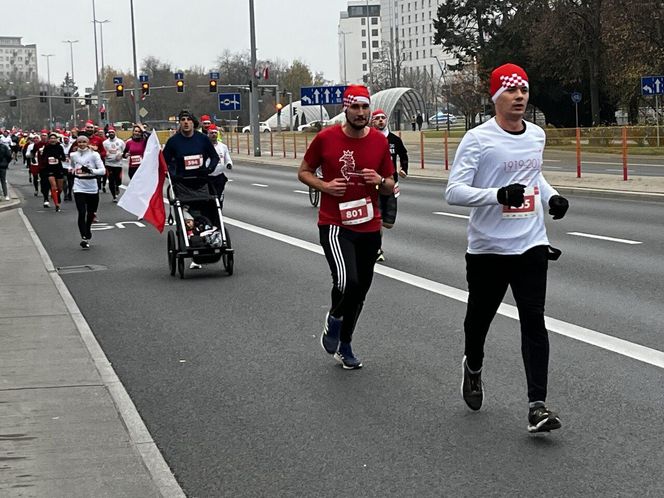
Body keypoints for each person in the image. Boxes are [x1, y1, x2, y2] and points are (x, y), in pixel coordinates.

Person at [445, 63, 570, 433]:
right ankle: (473, 366)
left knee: (534, 320)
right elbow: (453, 192)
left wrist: (552, 197)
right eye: (511, 91)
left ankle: (537, 406)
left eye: (524, 91)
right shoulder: (478, 139)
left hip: (531, 243)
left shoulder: (536, 135)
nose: (519, 97)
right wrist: (496, 195)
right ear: (496, 97)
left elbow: (535, 175)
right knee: (478, 323)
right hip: (488, 249)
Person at [297, 85, 395, 369]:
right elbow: (303, 171)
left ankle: (345, 343)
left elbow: (389, 186)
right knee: (346, 282)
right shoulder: (326, 138)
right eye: (356, 108)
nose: (362, 113)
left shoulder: (378, 141)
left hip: (368, 225)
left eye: (365, 108)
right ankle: (335, 319)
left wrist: (378, 180)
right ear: (346, 109)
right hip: (335, 224)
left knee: (360, 289)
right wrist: (324, 185)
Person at [163, 110, 219, 270]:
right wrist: (172, 174)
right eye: (182, 120)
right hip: (182, 184)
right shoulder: (174, 142)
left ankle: (210, 234)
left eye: (188, 120)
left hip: (201, 182)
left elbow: (214, 157)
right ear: (179, 123)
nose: (186, 122)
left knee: (207, 211)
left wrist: (209, 169)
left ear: (193, 123)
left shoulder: (202, 139)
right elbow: (164, 161)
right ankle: (189, 240)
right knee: (187, 215)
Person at [370, 109, 409, 261]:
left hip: (390, 184)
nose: (380, 120)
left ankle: (373, 244)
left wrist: (404, 169)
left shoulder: (394, 139)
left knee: (388, 223)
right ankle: (376, 249)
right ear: (372, 121)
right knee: (377, 219)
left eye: (383, 118)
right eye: (377, 118)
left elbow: (403, 154)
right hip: (374, 185)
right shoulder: (369, 138)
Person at [69, 134, 105, 249]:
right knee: (81, 212)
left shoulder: (94, 155)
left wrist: (90, 170)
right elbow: (71, 167)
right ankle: (83, 237)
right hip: (79, 186)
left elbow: (102, 171)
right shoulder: (73, 155)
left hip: (92, 186)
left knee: (91, 213)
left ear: (88, 143)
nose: (82, 144)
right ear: (76, 143)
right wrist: (72, 170)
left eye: (84, 142)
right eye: (79, 142)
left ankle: (88, 228)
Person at [39, 132, 67, 212]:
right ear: (49, 140)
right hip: (49, 169)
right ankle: (57, 204)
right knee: (54, 187)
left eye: (54, 138)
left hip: (58, 168)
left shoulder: (59, 147)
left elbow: (63, 158)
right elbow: (43, 157)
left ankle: (57, 196)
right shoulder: (47, 147)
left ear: (56, 139)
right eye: (51, 138)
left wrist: (59, 158)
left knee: (60, 188)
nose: (53, 140)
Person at [206, 124, 233, 203]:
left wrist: (229, 164)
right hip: (208, 177)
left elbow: (227, 158)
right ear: (208, 134)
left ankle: (218, 210)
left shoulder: (223, 147)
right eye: (211, 133)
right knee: (209, 199)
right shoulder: (204, 146)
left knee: (218, 198)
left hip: (219, 177)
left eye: (215, 133)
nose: (214, 135)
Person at [103, 127, 125, 202]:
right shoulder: (105, 143)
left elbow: (125, 151)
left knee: (118, 180)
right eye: (110, 132)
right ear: (108, 133)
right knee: (111, 180)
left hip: (118, 164)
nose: (111, 133)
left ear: (115, 132)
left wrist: (121, 155)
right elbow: (103, 152)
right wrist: (105, 154)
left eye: (112, 132)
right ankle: (114, 196)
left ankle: (117, 187)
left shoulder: (120, 142)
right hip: (109, 164)